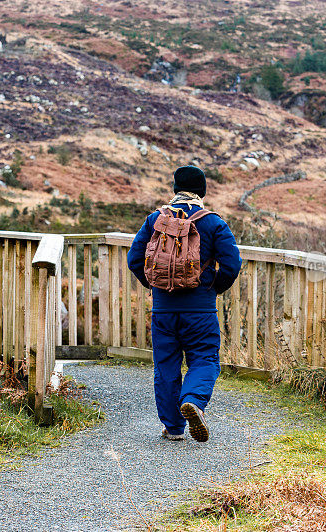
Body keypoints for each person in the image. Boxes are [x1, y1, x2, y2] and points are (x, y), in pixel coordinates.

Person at [127, 166, 241, 442]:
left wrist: (156, 286)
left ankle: (174, 428)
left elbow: (134, 259)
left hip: (163, 309)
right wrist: (213, 288)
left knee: (165, 365)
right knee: (205, 358)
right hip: (200, 309)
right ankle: (193, 402)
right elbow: (232, 263)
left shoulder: (156, 219)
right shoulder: (213, 222)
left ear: (175, 188)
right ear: (202, 191)